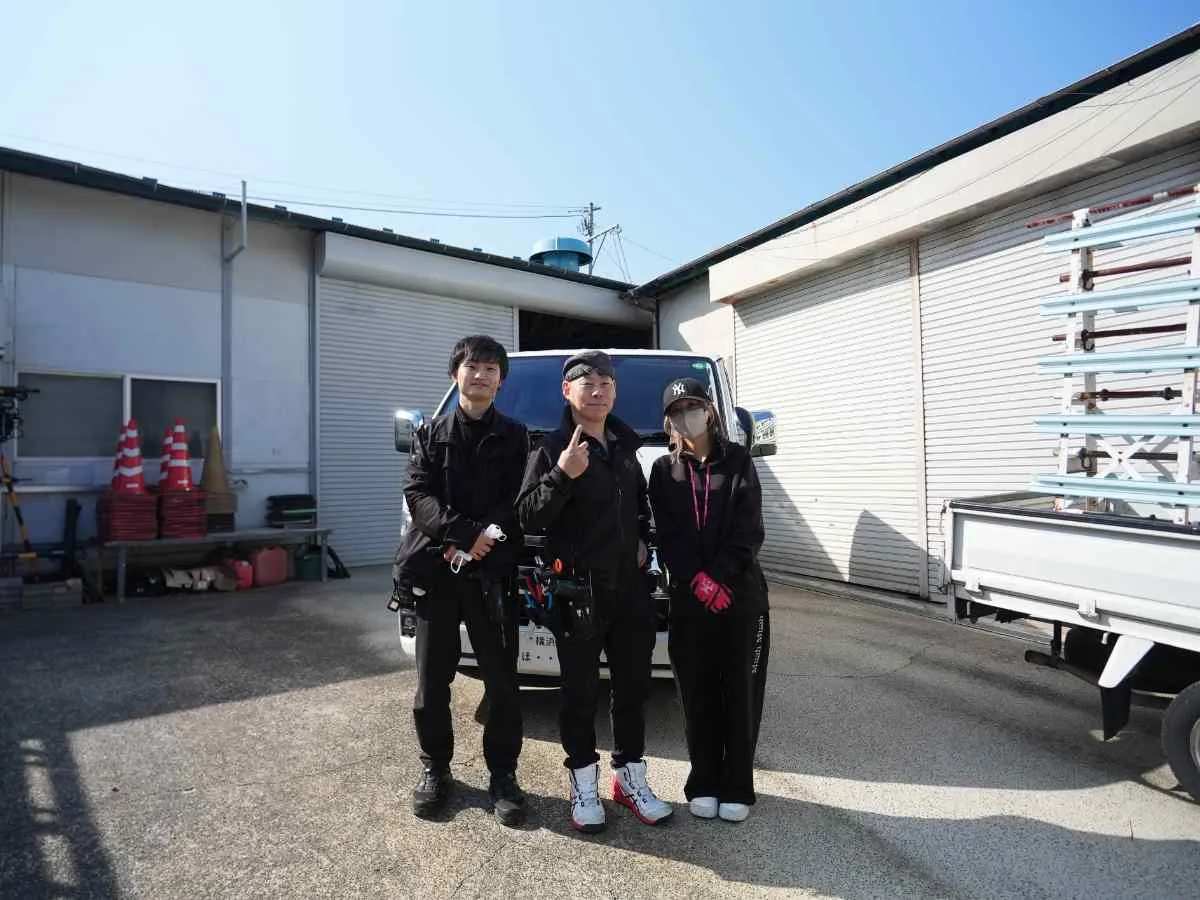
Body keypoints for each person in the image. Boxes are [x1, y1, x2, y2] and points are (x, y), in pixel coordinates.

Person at [516, 350, 674, 833]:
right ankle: (583, 781)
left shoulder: (625, 444)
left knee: (632, 688)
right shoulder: (552, 448)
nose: (599, 389)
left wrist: (644, 539)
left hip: (629, 590)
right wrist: (563, 475)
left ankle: (630, 778)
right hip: (578, 595)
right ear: (568, 391)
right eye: (588, 382)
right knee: (579, 693)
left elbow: (640, 504)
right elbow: (527, 516)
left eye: (606, 382)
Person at [392, 335, 530, 826]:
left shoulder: (515, 435)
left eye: (491, 368)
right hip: (439, 570)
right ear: (456, 375)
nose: (481, 375)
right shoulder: (430, 434)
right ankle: (436, 769)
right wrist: (462, 536)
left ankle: (504, 776)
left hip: (491, 574)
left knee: (502, 683)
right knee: (432, 683)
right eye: (473, 366)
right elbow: (418, 494)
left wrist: (480, 542)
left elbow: (518, 499)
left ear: (501, 380)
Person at [647, 376, 770, 824]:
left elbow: (749, 529)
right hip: (689, 601)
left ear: (710, 412)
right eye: (677, 411)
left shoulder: (738, 460)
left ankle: (737, 786)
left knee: (739, 694)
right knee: (696, 695)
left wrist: (718, 577)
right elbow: (666, 534)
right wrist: (696, 579)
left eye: (694, 407)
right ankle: (702, 782)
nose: (687, 416)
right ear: (668, 420)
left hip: (740, 599)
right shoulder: (663, 471)